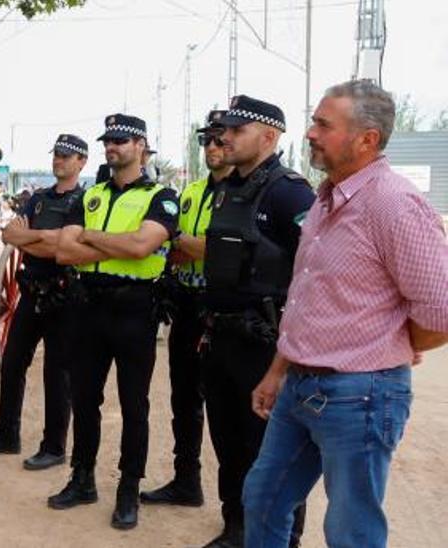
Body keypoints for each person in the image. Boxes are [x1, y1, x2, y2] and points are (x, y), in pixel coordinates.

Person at [243, 80, 448, 547]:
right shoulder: (326, 198)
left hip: (361, 397)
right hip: (299, 385)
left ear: (367, 139)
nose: (311, 133)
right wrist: (278, 370)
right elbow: (308, 298)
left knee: (350, 530)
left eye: (323, 124)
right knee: (263, 499)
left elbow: (441, 313)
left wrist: (386, 344)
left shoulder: (394, 204)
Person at [48, 114, 179, 530]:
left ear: (141, 145)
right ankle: (82, 478)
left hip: (134, 310)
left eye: (121, 140)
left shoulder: (162, 196)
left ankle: (128, 489)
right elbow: (65, 253)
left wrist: (91, 238)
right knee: (84, 399)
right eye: (108, 140)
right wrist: (115, 246)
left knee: (134, 405)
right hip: (88, 308)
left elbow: (144, 247)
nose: (112, 147)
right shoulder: (88, 196)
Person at [197, 96, 316, 547]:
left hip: (263, 343)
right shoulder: (227, 187)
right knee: (227, 444)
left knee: (270, 452)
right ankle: (236, 528)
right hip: (221, 338)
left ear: (269, 137)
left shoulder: (290, 192)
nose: (223, 137)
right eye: (223, 129)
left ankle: (285, 539)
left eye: (236, 130)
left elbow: (316, 268)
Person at [0, 134, 87, 472]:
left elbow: (64, 248)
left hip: (63, 296)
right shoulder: (37, 200)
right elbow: (10, 236)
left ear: (81, 163)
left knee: (57, 373)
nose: (59, 160)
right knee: (13, 364)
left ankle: (54, 447)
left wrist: (31, 239)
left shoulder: (84, 201)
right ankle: (6, 435)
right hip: (31, 292)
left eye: (67, 156)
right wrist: (41, 240)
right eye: (57, 154)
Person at [140, 110, 232, 511]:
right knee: (184, 400)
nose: (211, 147)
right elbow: (175, 247)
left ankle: (239, 509)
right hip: (187, 305)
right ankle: (186, 481)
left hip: (224, 311)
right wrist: (190, 246)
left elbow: (223, 253)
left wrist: (188, 243)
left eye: (218, 139)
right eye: (205, 141)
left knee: (228, 412)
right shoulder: (191, 192)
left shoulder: (246, 193)